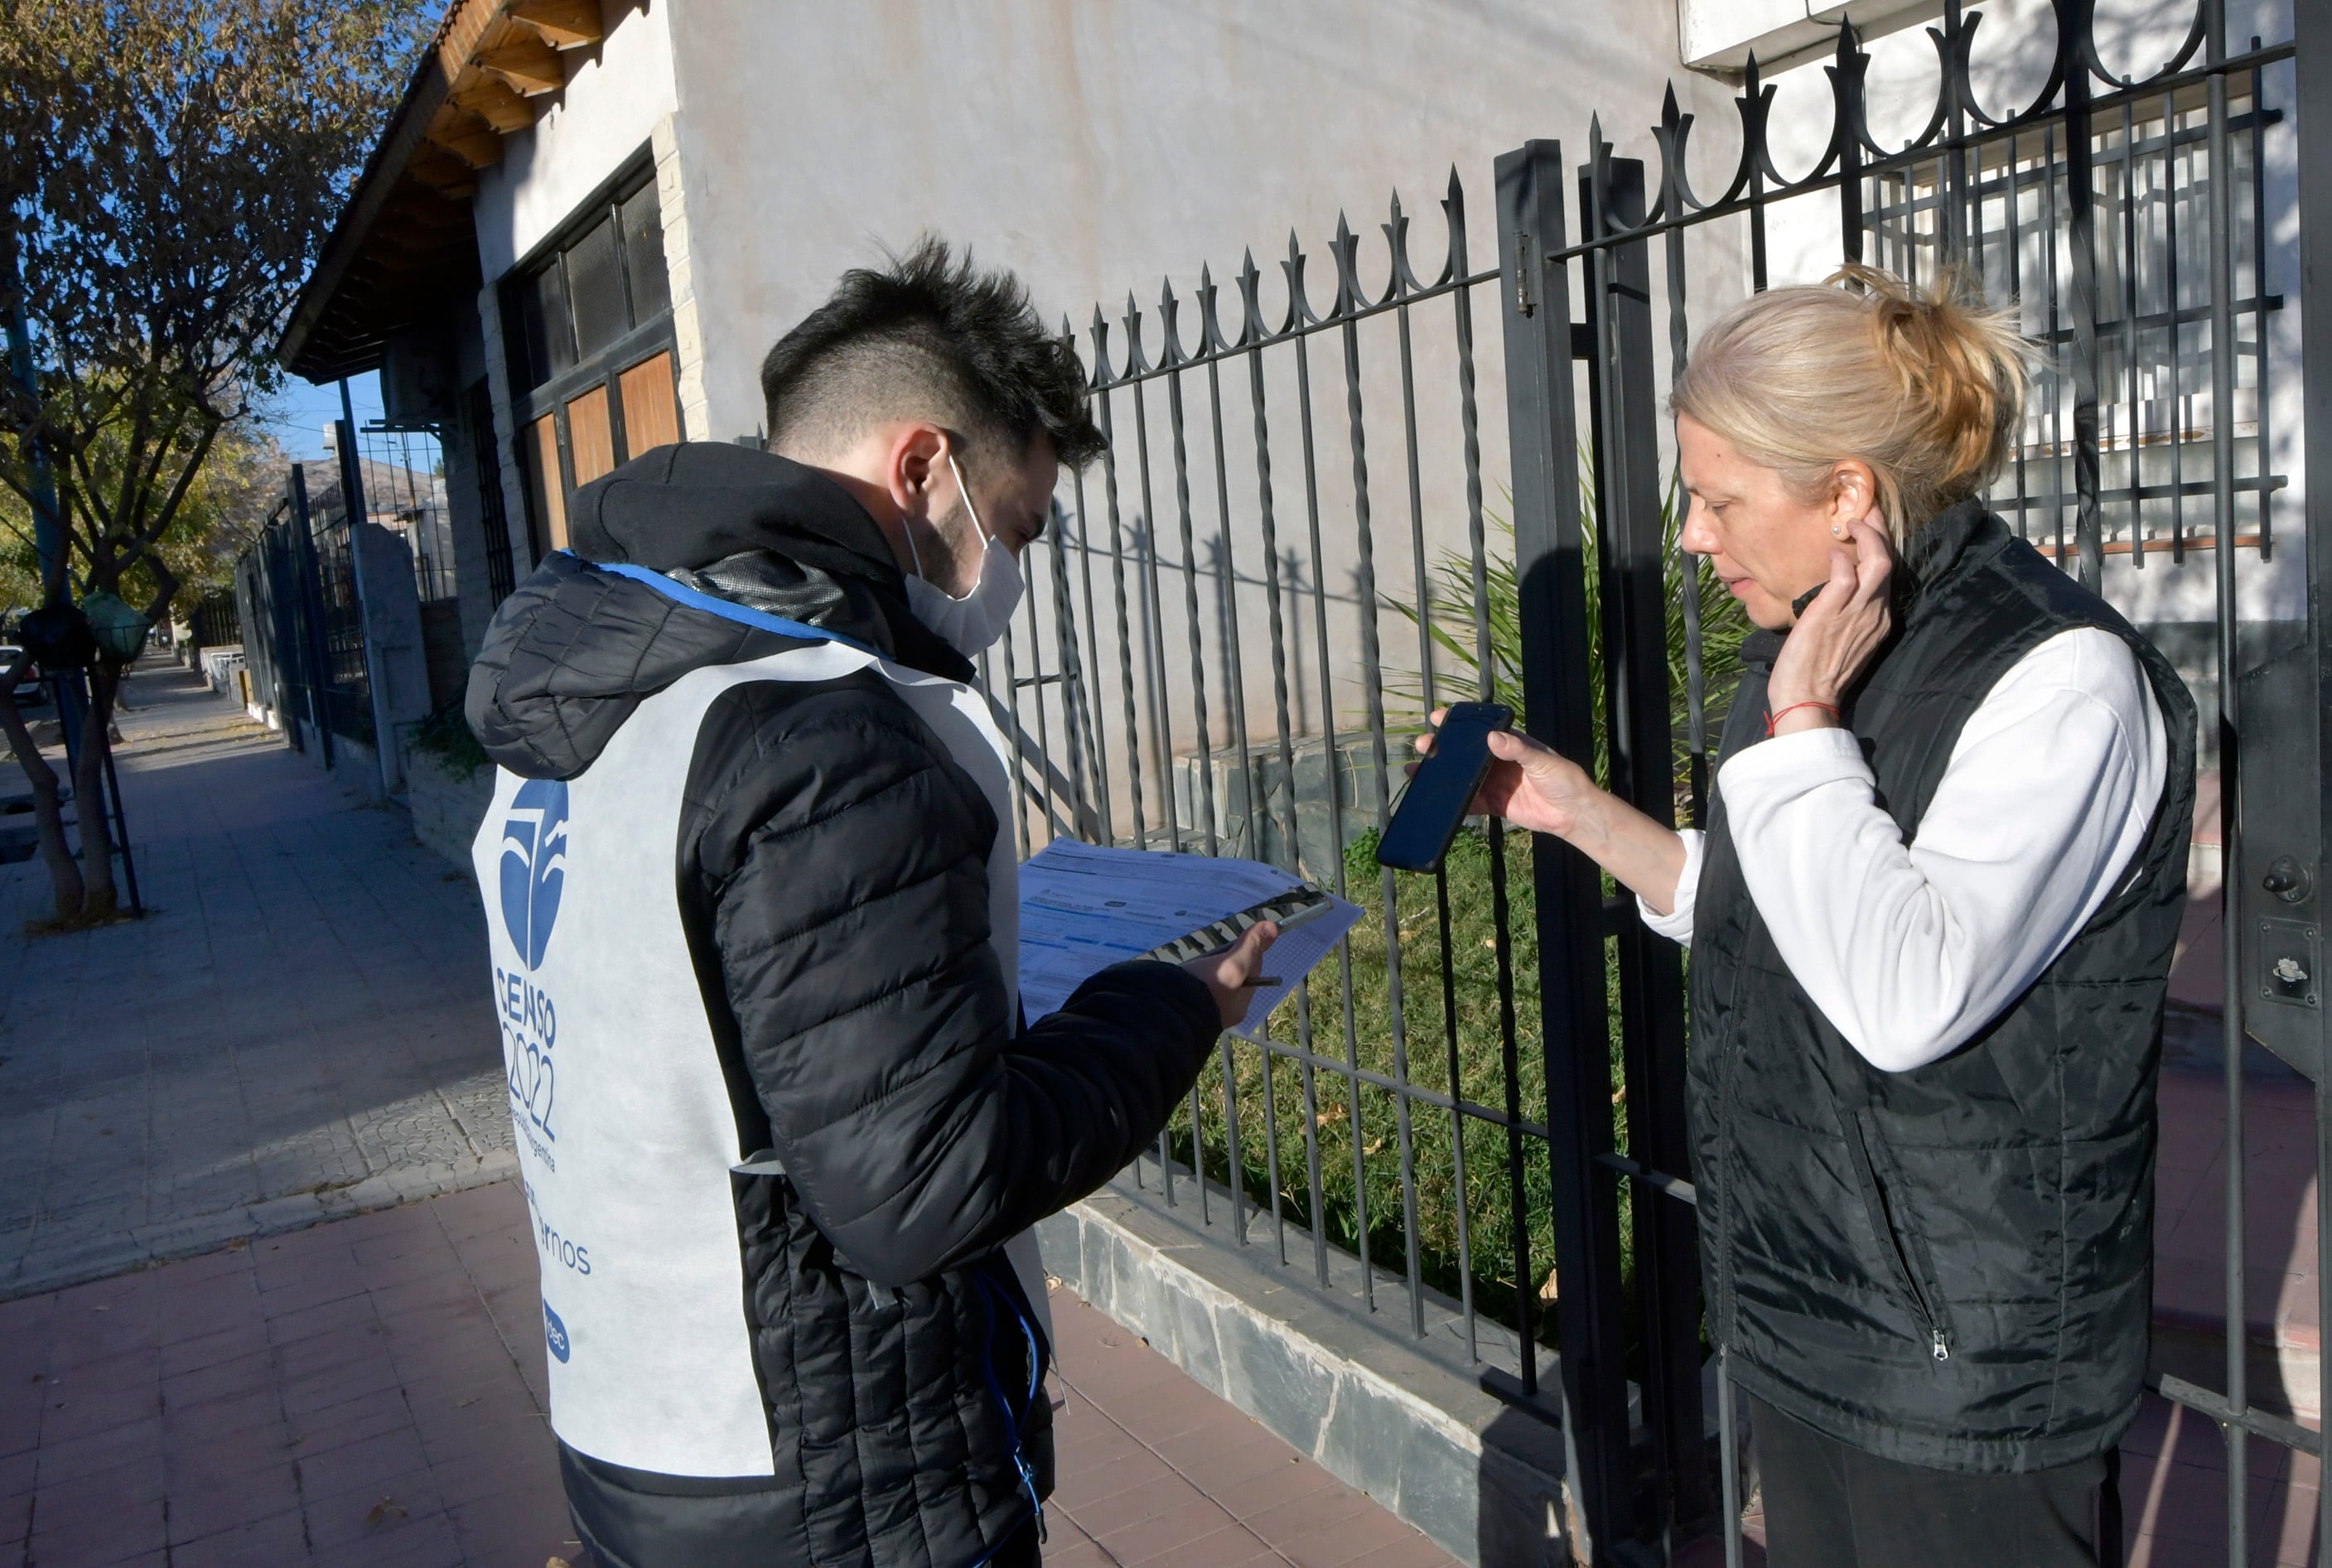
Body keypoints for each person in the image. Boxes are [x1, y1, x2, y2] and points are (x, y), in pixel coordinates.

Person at [466, 238, 1275, 1568]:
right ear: (920, 468)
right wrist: (1171, 1006)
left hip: (640, 1427)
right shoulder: (821, 731)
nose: (1010, 576)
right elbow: (925, 1192)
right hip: (837, 1480)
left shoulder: (603, 682)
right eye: (1015, 527)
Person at [1425, 264, 2195, 1564]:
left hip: (1964, 1375)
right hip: (1804, 1319)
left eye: (1722, 500)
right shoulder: (1821, 644)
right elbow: (1781, 904)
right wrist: (1578, 814)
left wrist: (1801, 726)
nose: (1695, 538)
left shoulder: (2063, 678)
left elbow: (1905, 993)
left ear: (1846, 493)